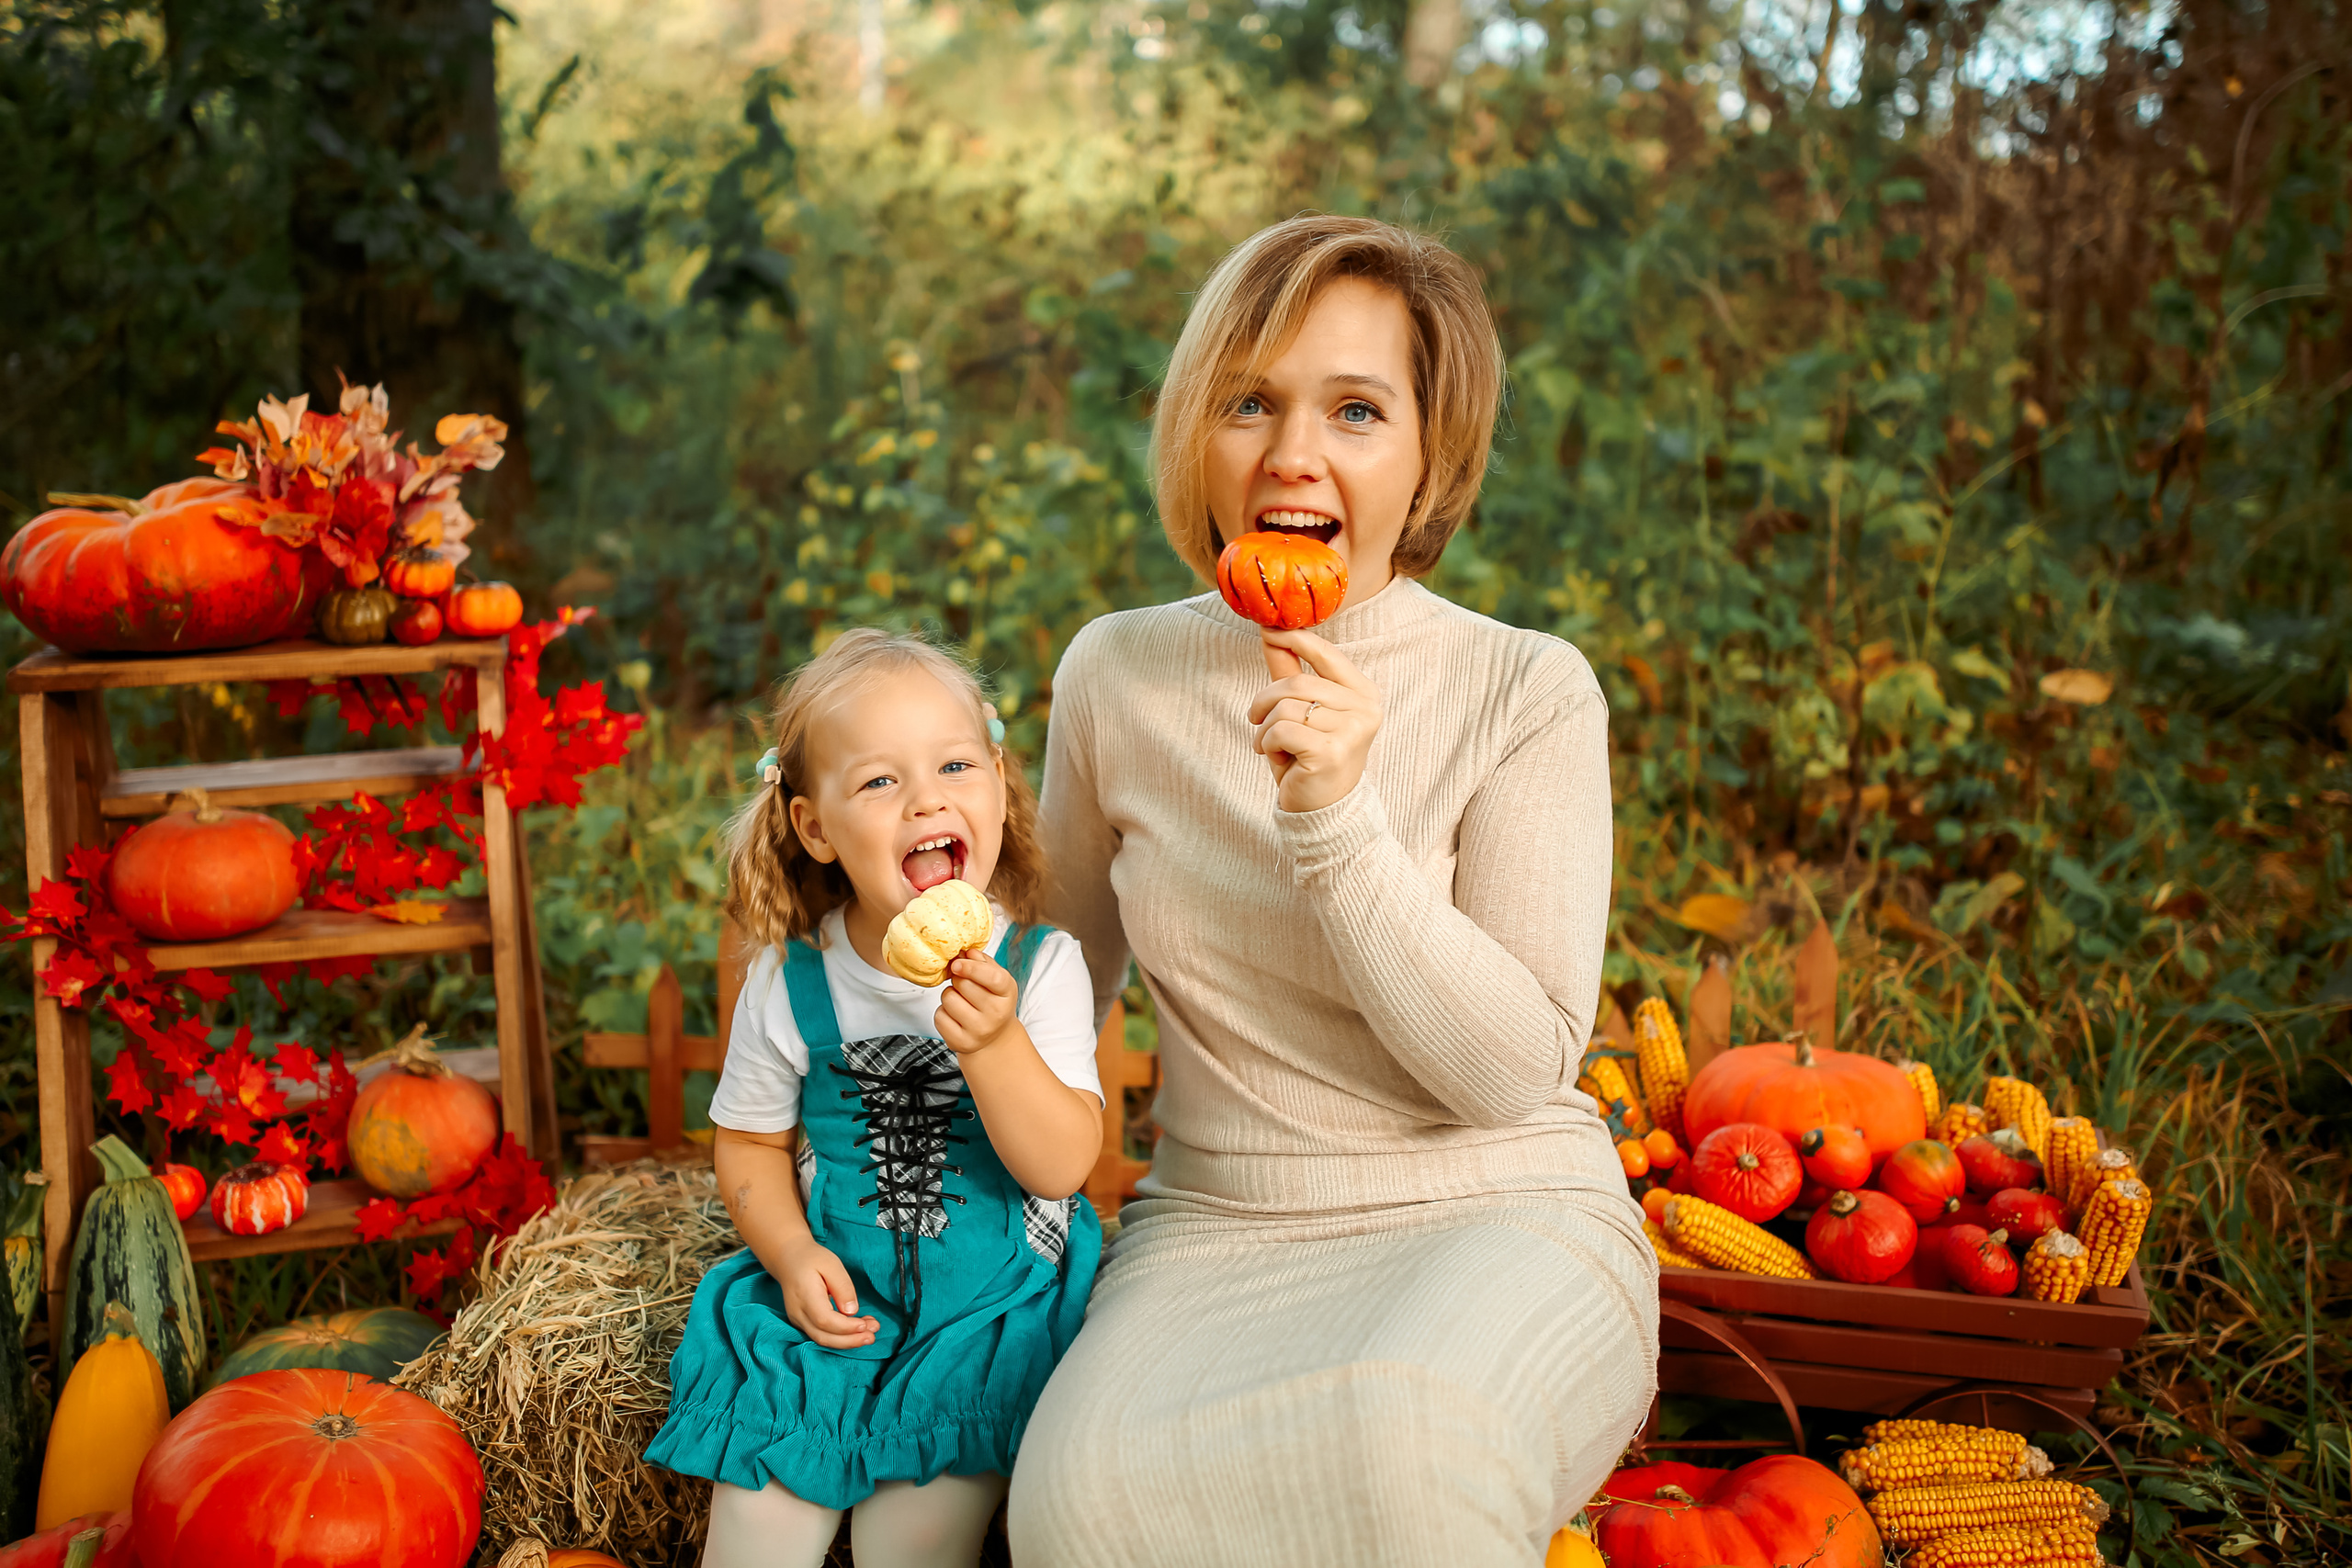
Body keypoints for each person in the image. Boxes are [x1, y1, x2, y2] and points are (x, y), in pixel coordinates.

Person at [1010, 214, 1656, 1564]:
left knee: (1403, 1440)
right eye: (1251, 400)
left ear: (1430, 457)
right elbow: (1053, 983)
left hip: (1494, 1209)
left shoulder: (1525, 687)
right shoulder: (1118, 673)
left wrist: (1338, 822)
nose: (1293, 452)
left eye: (1357, 409)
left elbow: (1506, 1069)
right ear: (1199, 431)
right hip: (1217, 1226)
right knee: (1077, 1511)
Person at [647, 629, 1104, 1568]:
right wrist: (789, 1250)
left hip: (985, 1308)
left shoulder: (1041, 968)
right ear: (815, 829)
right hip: (840, 1290)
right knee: (757, 1533)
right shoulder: (790, 982)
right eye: (880, 782)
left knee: (912, 1544)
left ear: (996, 781)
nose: (928, 796)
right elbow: (748, 1148)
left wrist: (995, 1046)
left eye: (951, 765)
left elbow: (1061, 1166)